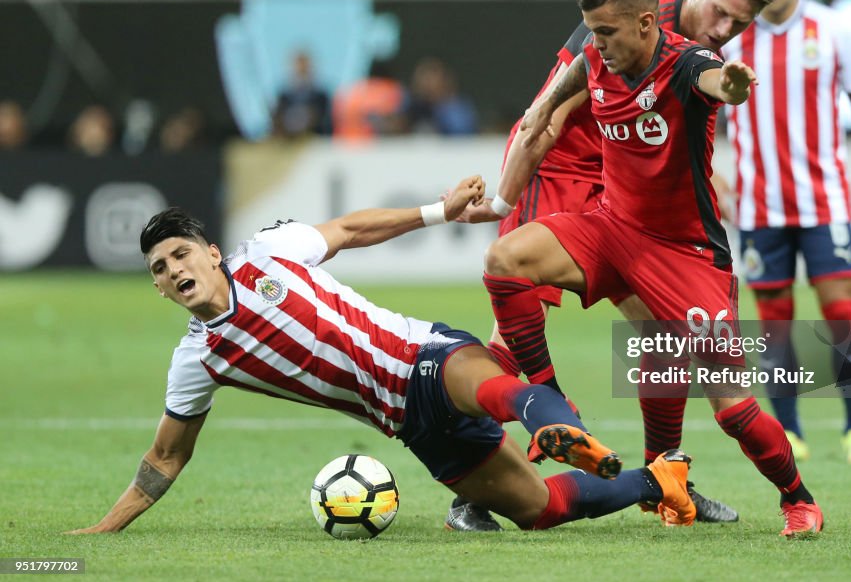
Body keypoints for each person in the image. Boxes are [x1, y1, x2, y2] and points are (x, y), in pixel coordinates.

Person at [65, 177, 699, 535]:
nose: (175, 270)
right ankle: (659, 481)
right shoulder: (197, 361)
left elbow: (349, 231)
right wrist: (105, 529)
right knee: (540, 510)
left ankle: (559, 429)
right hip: (407, 423)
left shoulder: (266, 254)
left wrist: (436, 212)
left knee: (496, 391)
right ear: (156, 286)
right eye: (160, 268)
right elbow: (166, 456)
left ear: (209, 253)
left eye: (181, 254)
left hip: (421, 352)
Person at [481, 0, 823, 536]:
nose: (723, 29)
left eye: (740, 24)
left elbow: (714, 79)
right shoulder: (608, 36)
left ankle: (792, 498)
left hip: (680, 250)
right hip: (598, 209)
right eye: (720, 13)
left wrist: (731, 84)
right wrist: (501, 201)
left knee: (725, 399)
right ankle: (538, 425)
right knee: (506, 266)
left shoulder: (691, 59)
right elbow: (542, 114)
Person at [719, 0, 851, 465]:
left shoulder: (834, 31)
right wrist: (717, 182)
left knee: (841, 313)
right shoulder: (730, 39)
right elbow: (694, 121)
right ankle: (789, 430)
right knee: (775, 321)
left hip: (826, 202)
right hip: (758, 205)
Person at [272, 51, 331, 139]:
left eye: (304, 66)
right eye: (299, 66)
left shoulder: (321, 97)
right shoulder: (284, 98)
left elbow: (326, 125)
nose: (301, 69)